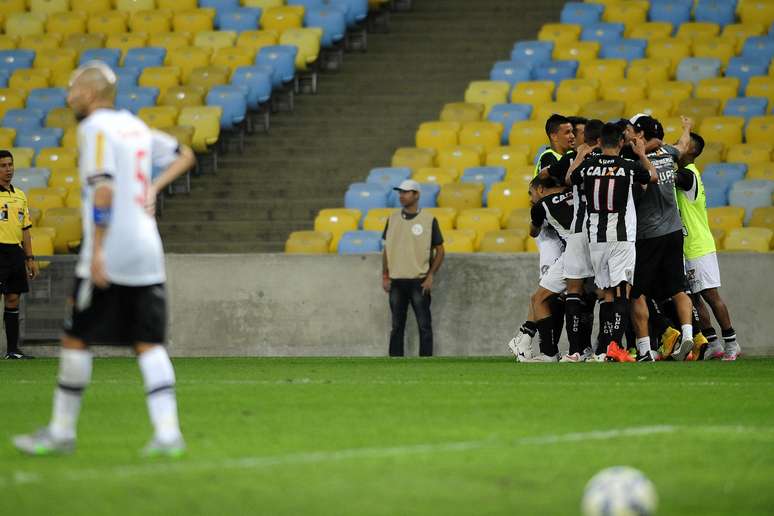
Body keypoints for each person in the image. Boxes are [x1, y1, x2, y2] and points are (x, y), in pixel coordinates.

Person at [12, 62, 195, 456]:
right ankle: (168, 433)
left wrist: (95, 249)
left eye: (73, 87)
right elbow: (184, 154)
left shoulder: (94, 128)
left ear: (92, 93)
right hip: (148, 249)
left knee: (77, 338)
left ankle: (62, 431)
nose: (68, 95)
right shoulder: (135, 127)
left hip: (111, 250)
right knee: (149, 343)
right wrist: (154, 190)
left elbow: (103, 190)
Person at [570, 123, 658, 363]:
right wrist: (641, 154)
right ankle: (612, 348)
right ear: (621, 142)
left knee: (607, 292)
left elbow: (570, 177)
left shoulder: (587, 166)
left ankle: (602, 349)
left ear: (600, 142)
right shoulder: (628, 166)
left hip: (596, 238)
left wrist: (580, 156)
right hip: (621, 238)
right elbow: (653, 176)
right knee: (621, 292)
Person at [628, 115, 696, 361]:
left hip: (649, 234)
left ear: (639, 134)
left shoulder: (635, 160)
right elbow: (683, 145)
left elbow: (648, 176)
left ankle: (645, 349)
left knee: (636, 293)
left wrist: (642, 154)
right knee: (677, 288)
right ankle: (687, 334)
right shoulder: (669, 153)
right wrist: (687, 128)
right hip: (674, 231)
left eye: (632, 130)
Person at [675, 132, 740, 361]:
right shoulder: (683, 173)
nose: (676, 146)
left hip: (699, 246)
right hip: (685, 246)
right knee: (693, 298)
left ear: (691, 151)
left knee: (711, 295)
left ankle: (732, 342)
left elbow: (666, 176)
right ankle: (713, 343)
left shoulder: (688, 175)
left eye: (681, 143)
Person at [382, 179, 444, 357]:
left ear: (416, 195)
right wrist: (385, 275)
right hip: (396, 281)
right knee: (396, 327)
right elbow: (387, 249)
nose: (401, 195)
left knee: (424, 326)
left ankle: (426, 363)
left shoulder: (429, 220)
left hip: (419, 281)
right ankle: (395, 362)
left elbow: (440, 250)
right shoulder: (392, 219)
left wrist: (431, 275)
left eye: (406, 192)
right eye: (400, 192)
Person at [526, 175, 575, 362]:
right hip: (598, 247)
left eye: (531, 193)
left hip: (573, 253)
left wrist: (534, 218)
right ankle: (588, 349)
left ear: (540, 189)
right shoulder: (575, 192)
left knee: (538, 299)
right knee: (604, 296)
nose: (530, 199)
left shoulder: (541, 206)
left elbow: (533, 232)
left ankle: (548, 353)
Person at [0, 150, 39, 359]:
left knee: (13, 299)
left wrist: (30, 258)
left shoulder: (20, 195)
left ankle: (12, 350)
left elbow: (26, 229)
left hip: (15, 252)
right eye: (3, 166)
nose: (8, 169)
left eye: (10, 165)